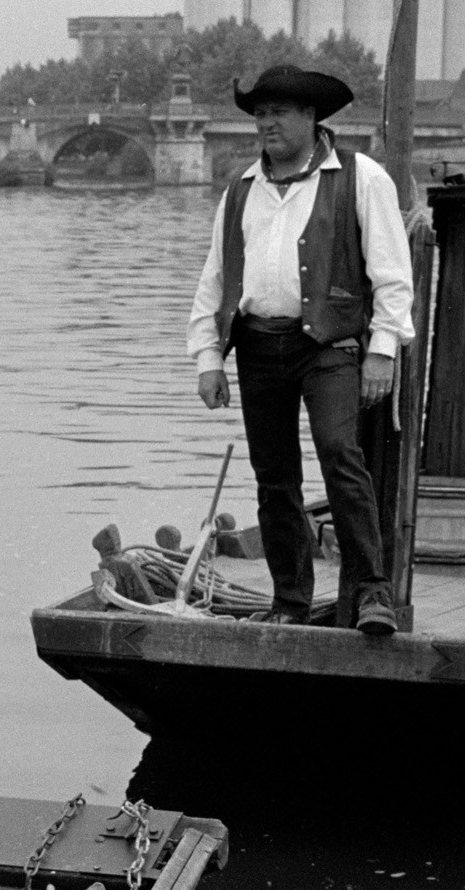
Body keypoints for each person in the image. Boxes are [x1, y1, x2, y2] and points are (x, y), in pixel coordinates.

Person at [187, 66, 416, 634]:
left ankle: (371, 595)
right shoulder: (240, 190)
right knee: (274, 476)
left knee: (340, 453)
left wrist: (383, 348)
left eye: (279, 112)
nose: (266, 122)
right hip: (258, 347)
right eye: (260, 113)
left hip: (330, 344)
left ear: (312, 119)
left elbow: (392, 273)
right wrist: (208, 358)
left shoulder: (361, 177)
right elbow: (215, 281)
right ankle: (290, 600)